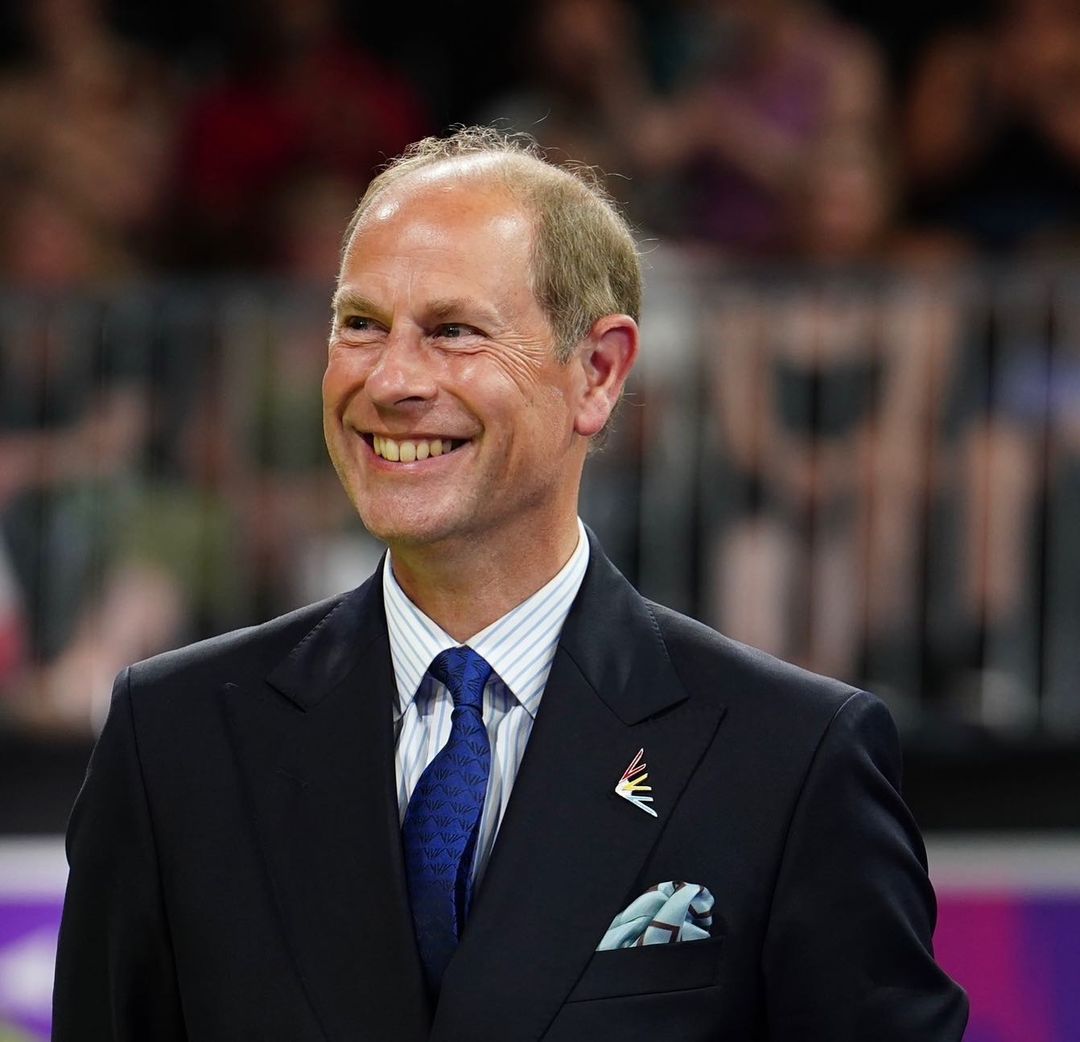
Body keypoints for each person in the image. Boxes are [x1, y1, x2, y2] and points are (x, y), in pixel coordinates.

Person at [52, 126, 968, 1041]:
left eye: (453, 332)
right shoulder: (171, 738)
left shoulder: (792, 757)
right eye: (360, 324)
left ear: (598, 373)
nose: (391, 380)